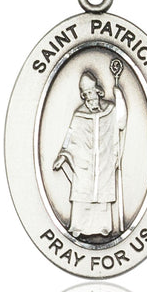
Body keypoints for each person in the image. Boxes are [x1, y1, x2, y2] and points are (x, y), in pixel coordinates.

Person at [53, 71, 127, 237]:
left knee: (102, 195)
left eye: (91, 93)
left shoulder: (110, 110)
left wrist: (119, 95)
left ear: (98, 91)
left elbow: (121, 122)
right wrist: (63, 155)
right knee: (83, 193)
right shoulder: (79, 114)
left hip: (104, 161)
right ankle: (79, 227)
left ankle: (103, 228)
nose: (89, 97)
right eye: (85, 94)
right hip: (84, 164)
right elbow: (70, 136)